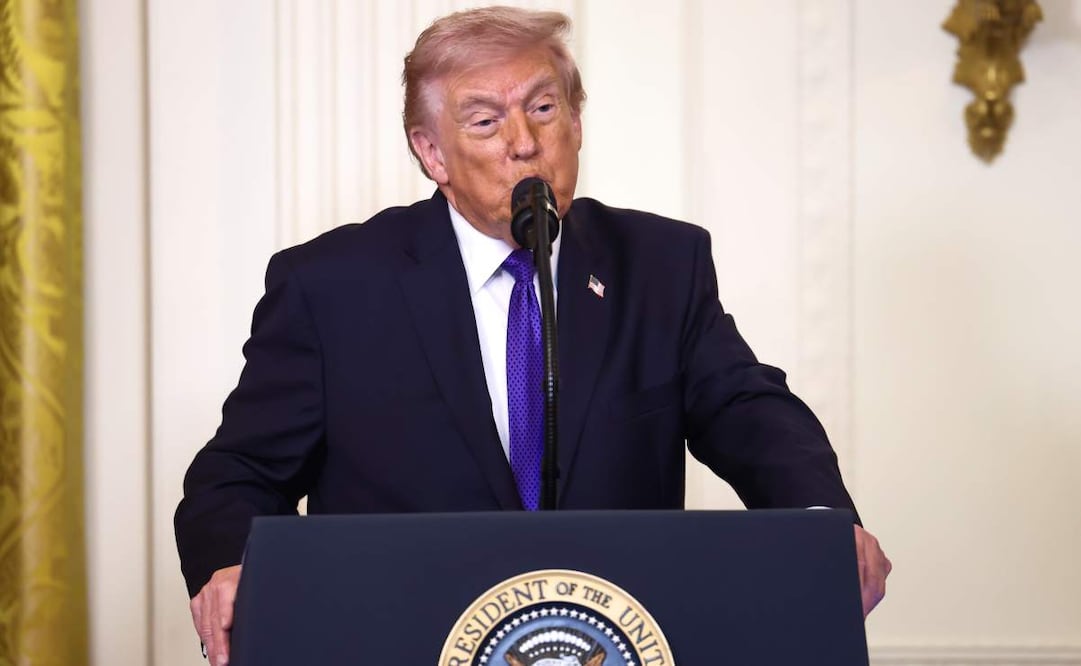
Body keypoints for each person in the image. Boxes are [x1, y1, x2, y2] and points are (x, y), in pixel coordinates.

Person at [175, 6, 891, 665]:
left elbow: (747, 411)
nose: (524, 143)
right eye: (485, 123)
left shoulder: (658, 265)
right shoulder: (332, 285)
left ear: (575, 124)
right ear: (432, 153)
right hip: (400, 638)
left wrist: (820, 524)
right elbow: (237, 473)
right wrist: (232, 569)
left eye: (544, 109)